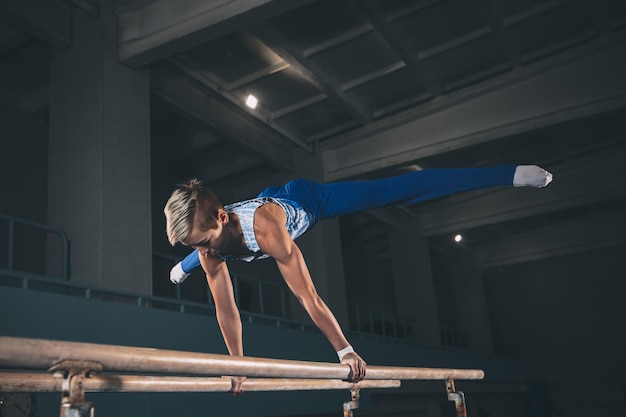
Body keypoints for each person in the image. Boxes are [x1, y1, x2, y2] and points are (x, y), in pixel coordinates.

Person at [164, 164, 553, 393]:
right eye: (195, 246)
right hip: (251, 211)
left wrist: (344, 350)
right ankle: (183, 267)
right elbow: (226, 307)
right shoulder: (208, 245)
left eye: (202, 243)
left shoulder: (268, 232)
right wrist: (237, 364)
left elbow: (308, 298)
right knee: (208, 260)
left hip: (303, 203)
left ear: (221, 219)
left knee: (388, 191)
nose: (206, 250)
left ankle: (510, 174)